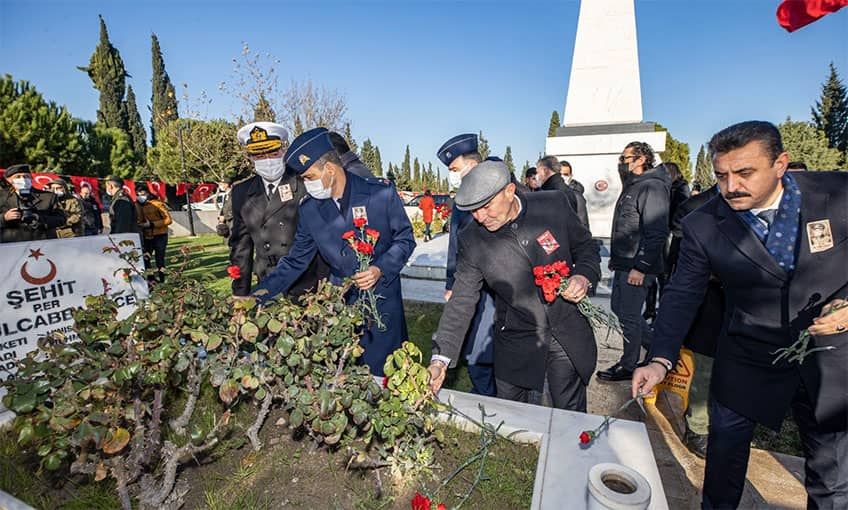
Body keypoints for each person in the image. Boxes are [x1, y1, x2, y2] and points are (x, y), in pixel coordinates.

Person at [632, 121, 848, 508]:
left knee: (832, 476)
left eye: (744, 173)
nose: (731, 186)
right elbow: (683, 293)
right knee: (723, 461)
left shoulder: (837, 193)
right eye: (721, 175)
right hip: (747, 355)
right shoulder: (703, 223)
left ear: (780, 164)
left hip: (830, 357)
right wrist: (660, 358)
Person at [428, 160, 601, 411]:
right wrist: (440, 360)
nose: (480, 217)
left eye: (486, 206)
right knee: (513, 419)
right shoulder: (472, 239)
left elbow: (586, 247)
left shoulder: (553, 205)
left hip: (566, 331)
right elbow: (462, 300)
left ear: (509, 191)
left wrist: (583, 276)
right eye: (473, 210)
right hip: (516, 338)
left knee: (569, 417)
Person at [253, 128, 416, 379]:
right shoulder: (310, 209)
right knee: (345, 375)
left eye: (309, 177)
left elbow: (405, 239)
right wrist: (257, 296)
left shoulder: (380, 193)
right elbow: (296, 260)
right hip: (341, 304)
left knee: (384, 374)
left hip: (382, 300)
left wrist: (379, 268)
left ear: (330, 169)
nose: (307, 185)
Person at [596, 142, 670, 382]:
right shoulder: (634, 186)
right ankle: (659, 351)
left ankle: (629, 365)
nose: (621, 161)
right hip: (625, 264)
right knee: (620, 309)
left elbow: (656, 232)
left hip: (637, 268)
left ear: (641, 159)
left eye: (625, 157)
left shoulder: (652, 187)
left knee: (628, 315)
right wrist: (617, 261)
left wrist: (641, 267)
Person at [229, 122, 329, 298]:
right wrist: (240, 293)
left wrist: (325, 287)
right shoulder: (241, 192)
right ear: (250, 158)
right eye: (258, 155)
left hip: (307, 283)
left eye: (272, 152)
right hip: (267, 283)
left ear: (283, 150)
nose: (267, 159)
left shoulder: (304, 183)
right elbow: (241, 247)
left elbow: (324, 236)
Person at [438, 133, 496, 396]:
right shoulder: (461, 197)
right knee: (474, 339)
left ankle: (488, 393)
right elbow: (456, 247)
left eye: (454, 169)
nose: (452, 175)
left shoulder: (498, 189)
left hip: (492, 284)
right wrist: (451, 283)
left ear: (471, 165)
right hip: (468, 281)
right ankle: (484, 388)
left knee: (483, 342)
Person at [644, 162, 689, 322]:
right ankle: (650, 309)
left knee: (664, 277)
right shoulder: (662, 187)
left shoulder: (680, 188)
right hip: (659, 234)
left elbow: (680, 213)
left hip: (669, 236)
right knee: (652, 275)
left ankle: (662, 312)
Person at [0, 164, 65, 243]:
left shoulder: (49, 196)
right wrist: (4, 218)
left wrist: (39, 218)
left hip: (42, 244)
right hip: (12, 245)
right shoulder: (2, 197)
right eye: (18, 177)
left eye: (26, 176)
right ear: (9, 180)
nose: (23, 179)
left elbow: (61, 219)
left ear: (31, 178)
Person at [535, 156, 589, 229]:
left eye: (538, 172)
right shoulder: (545, 191)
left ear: (545, 171)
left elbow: (582, 226)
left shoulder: (559, 193)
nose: (536, 176)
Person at [135, 184, 172, 283]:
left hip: (160, 234)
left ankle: (162, 280)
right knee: (146, 259)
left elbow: (168, 219)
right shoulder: (137, 205)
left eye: (143, 194)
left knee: (160, 259)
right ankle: (151, 280)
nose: (140, 196)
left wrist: (152, 224)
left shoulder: (157, 203)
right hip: (147, 235)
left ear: (148, 193)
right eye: (138, 195)